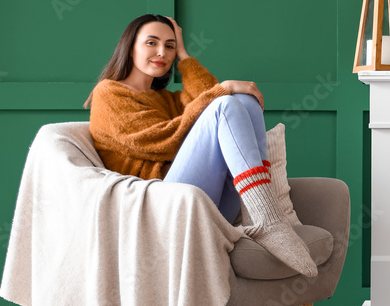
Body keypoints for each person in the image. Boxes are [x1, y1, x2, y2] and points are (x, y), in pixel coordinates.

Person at [84, 14, 317, 277]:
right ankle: (267, 219)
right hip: (159, 213)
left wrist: (185, 56)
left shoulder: (166, 99)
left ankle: (260, 216)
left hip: (198, 204)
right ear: (130, 47)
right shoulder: (109, 93)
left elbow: (208, 95)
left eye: (170, 46)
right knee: (225, 101)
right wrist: (223, 89)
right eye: (152, 42)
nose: (162, 52)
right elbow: (163, 141)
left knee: (245, 99)